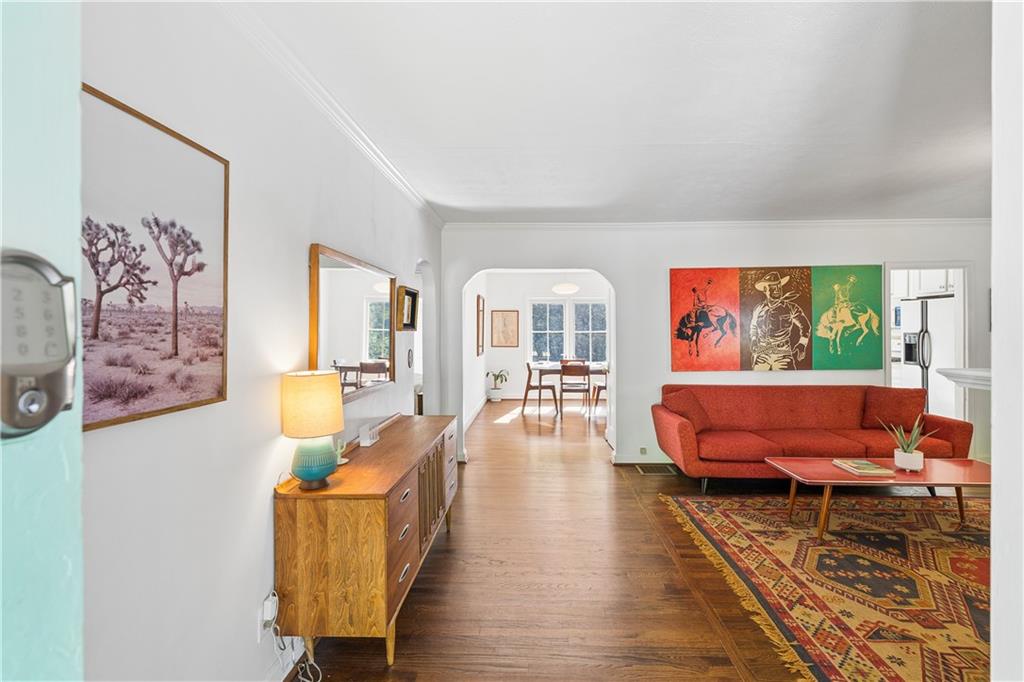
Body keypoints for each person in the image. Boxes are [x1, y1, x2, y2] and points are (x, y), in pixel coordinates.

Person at [749, 271, 810, 370]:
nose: (777, 290)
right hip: (762, 355)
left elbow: (805, 325)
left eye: (779, 286)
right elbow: (753, 326)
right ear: (765, 289)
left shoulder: (791, 308)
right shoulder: (758, 309)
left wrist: (802, 344)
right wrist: (754, 340)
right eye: (773, 287)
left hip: (783, 355)